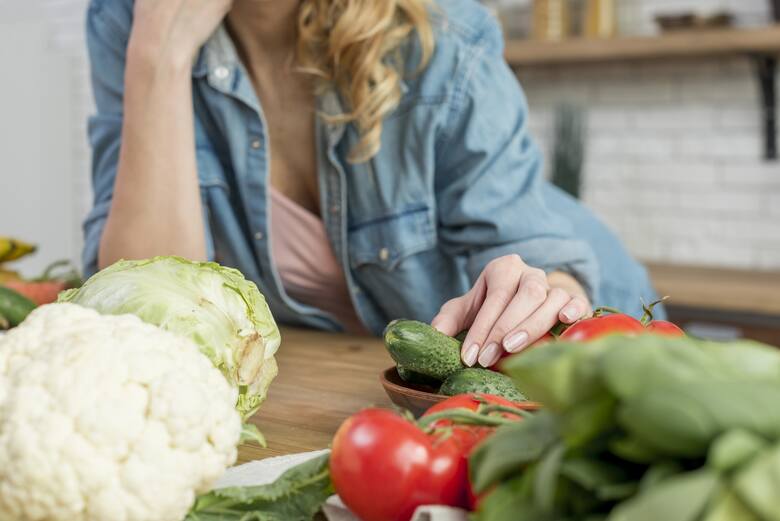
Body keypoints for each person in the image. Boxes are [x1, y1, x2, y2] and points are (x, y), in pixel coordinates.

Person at [84, 0, 660, 369]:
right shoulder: (127, 22)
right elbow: (146, 314)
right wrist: (159, 55)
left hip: (599, 319)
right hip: (359, 378)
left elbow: (536, 254)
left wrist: (544, 293)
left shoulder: (443, 33)